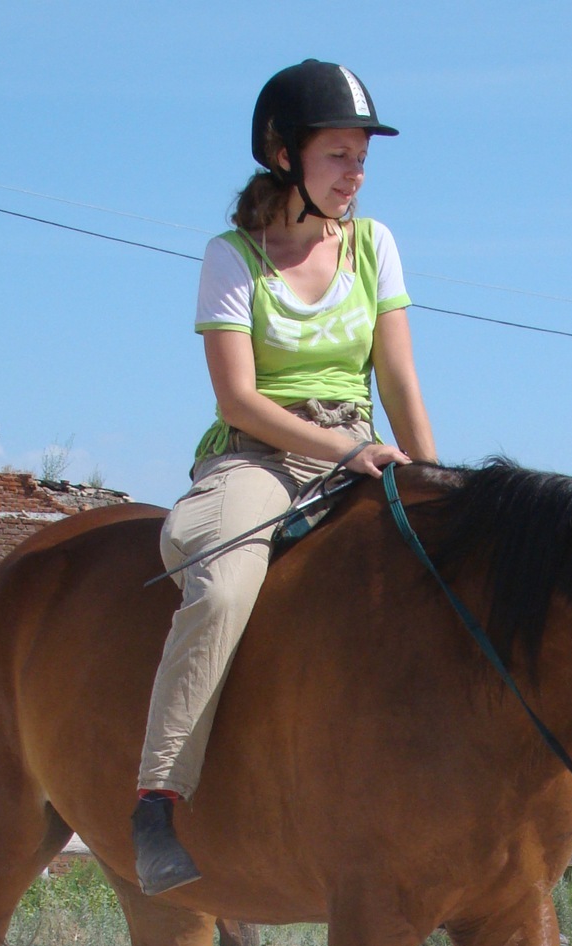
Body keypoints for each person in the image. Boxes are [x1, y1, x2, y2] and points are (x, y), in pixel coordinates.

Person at [132, 60, 439, 893]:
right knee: (226, 585)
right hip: (260, 455)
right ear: (284, 156)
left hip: (365, 450)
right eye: (339, 154)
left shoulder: (375, 245)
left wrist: (440, 483)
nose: (355, 173)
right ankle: (159, 798)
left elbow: (400, 380)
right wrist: (341, 452)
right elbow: (237, 394)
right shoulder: (232, 257)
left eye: (361, 158)